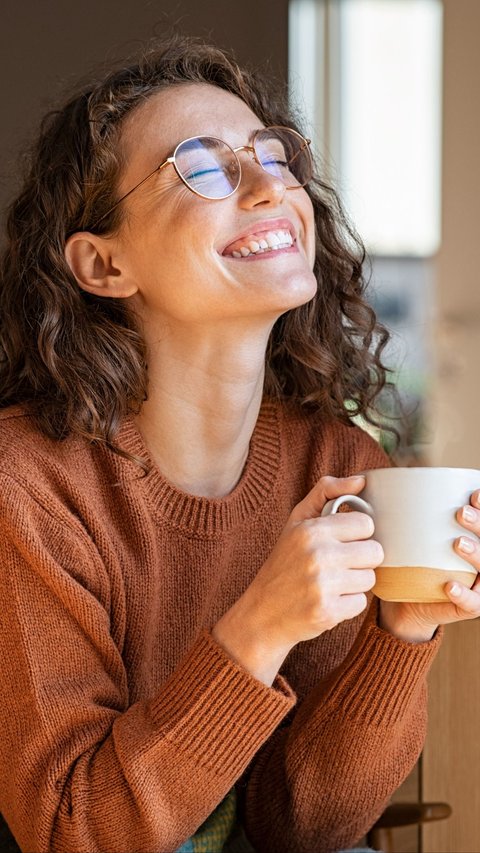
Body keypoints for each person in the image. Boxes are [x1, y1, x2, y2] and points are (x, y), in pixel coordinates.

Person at [1, 34, 479, 853]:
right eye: (204, 165)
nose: (269, 187)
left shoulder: (340, 467)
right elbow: (72, 831)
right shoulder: (28, 486)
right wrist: (259, 626)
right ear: (103, 263)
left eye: (274, 154)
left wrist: (401, 631)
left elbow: (306, 831)